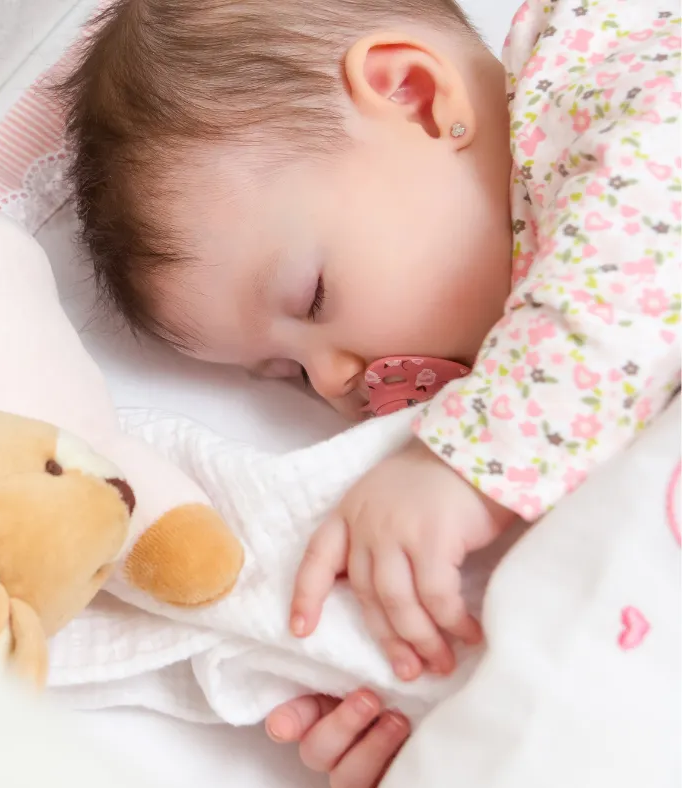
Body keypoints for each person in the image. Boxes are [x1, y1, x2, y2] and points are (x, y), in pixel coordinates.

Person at [58, 0, 681, 783]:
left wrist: (461, 463)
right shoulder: (521, 396)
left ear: (416, 98)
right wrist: (412, 690)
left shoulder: (613, 85)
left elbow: (634, 263)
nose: (331, 380)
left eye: (313, 297)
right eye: (287, 373)